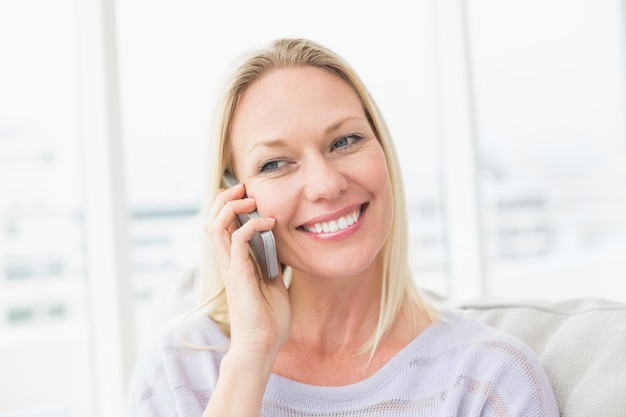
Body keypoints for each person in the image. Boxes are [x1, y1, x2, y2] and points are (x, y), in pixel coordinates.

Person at [127, 38, 559, 417]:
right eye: (275, 164)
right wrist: (251, 358)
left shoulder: (491, 378)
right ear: (235, 199)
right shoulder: (178, 371)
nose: (327, 184)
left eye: (345, 141)